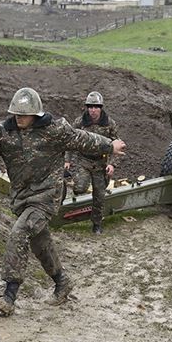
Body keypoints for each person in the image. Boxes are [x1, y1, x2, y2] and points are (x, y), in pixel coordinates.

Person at [0, 87, 126, 316]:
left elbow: (81, 138)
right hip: (22, 197)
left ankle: (9, 296)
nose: (18, 118)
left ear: (36, 113)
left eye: (23, 114)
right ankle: (61, 282)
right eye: (15, 113)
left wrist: (109, 145)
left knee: (19, 232)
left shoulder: (54, 128)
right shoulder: (5, 131)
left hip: (47, 195)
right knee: (40, 243)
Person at [64, 91, 119, 235]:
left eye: (96, 107)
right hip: (83, 160)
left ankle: (97, 224)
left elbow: (117, 146)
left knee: (99, 196)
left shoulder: (110, 124)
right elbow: (70, 141)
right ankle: (76, 187)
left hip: (100, 163)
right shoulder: (79, 122)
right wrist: (67, 160)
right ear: (87, 108)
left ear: (101, 107)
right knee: (81, 187)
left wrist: (112, 164)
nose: (93, 110)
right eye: (90, 107)